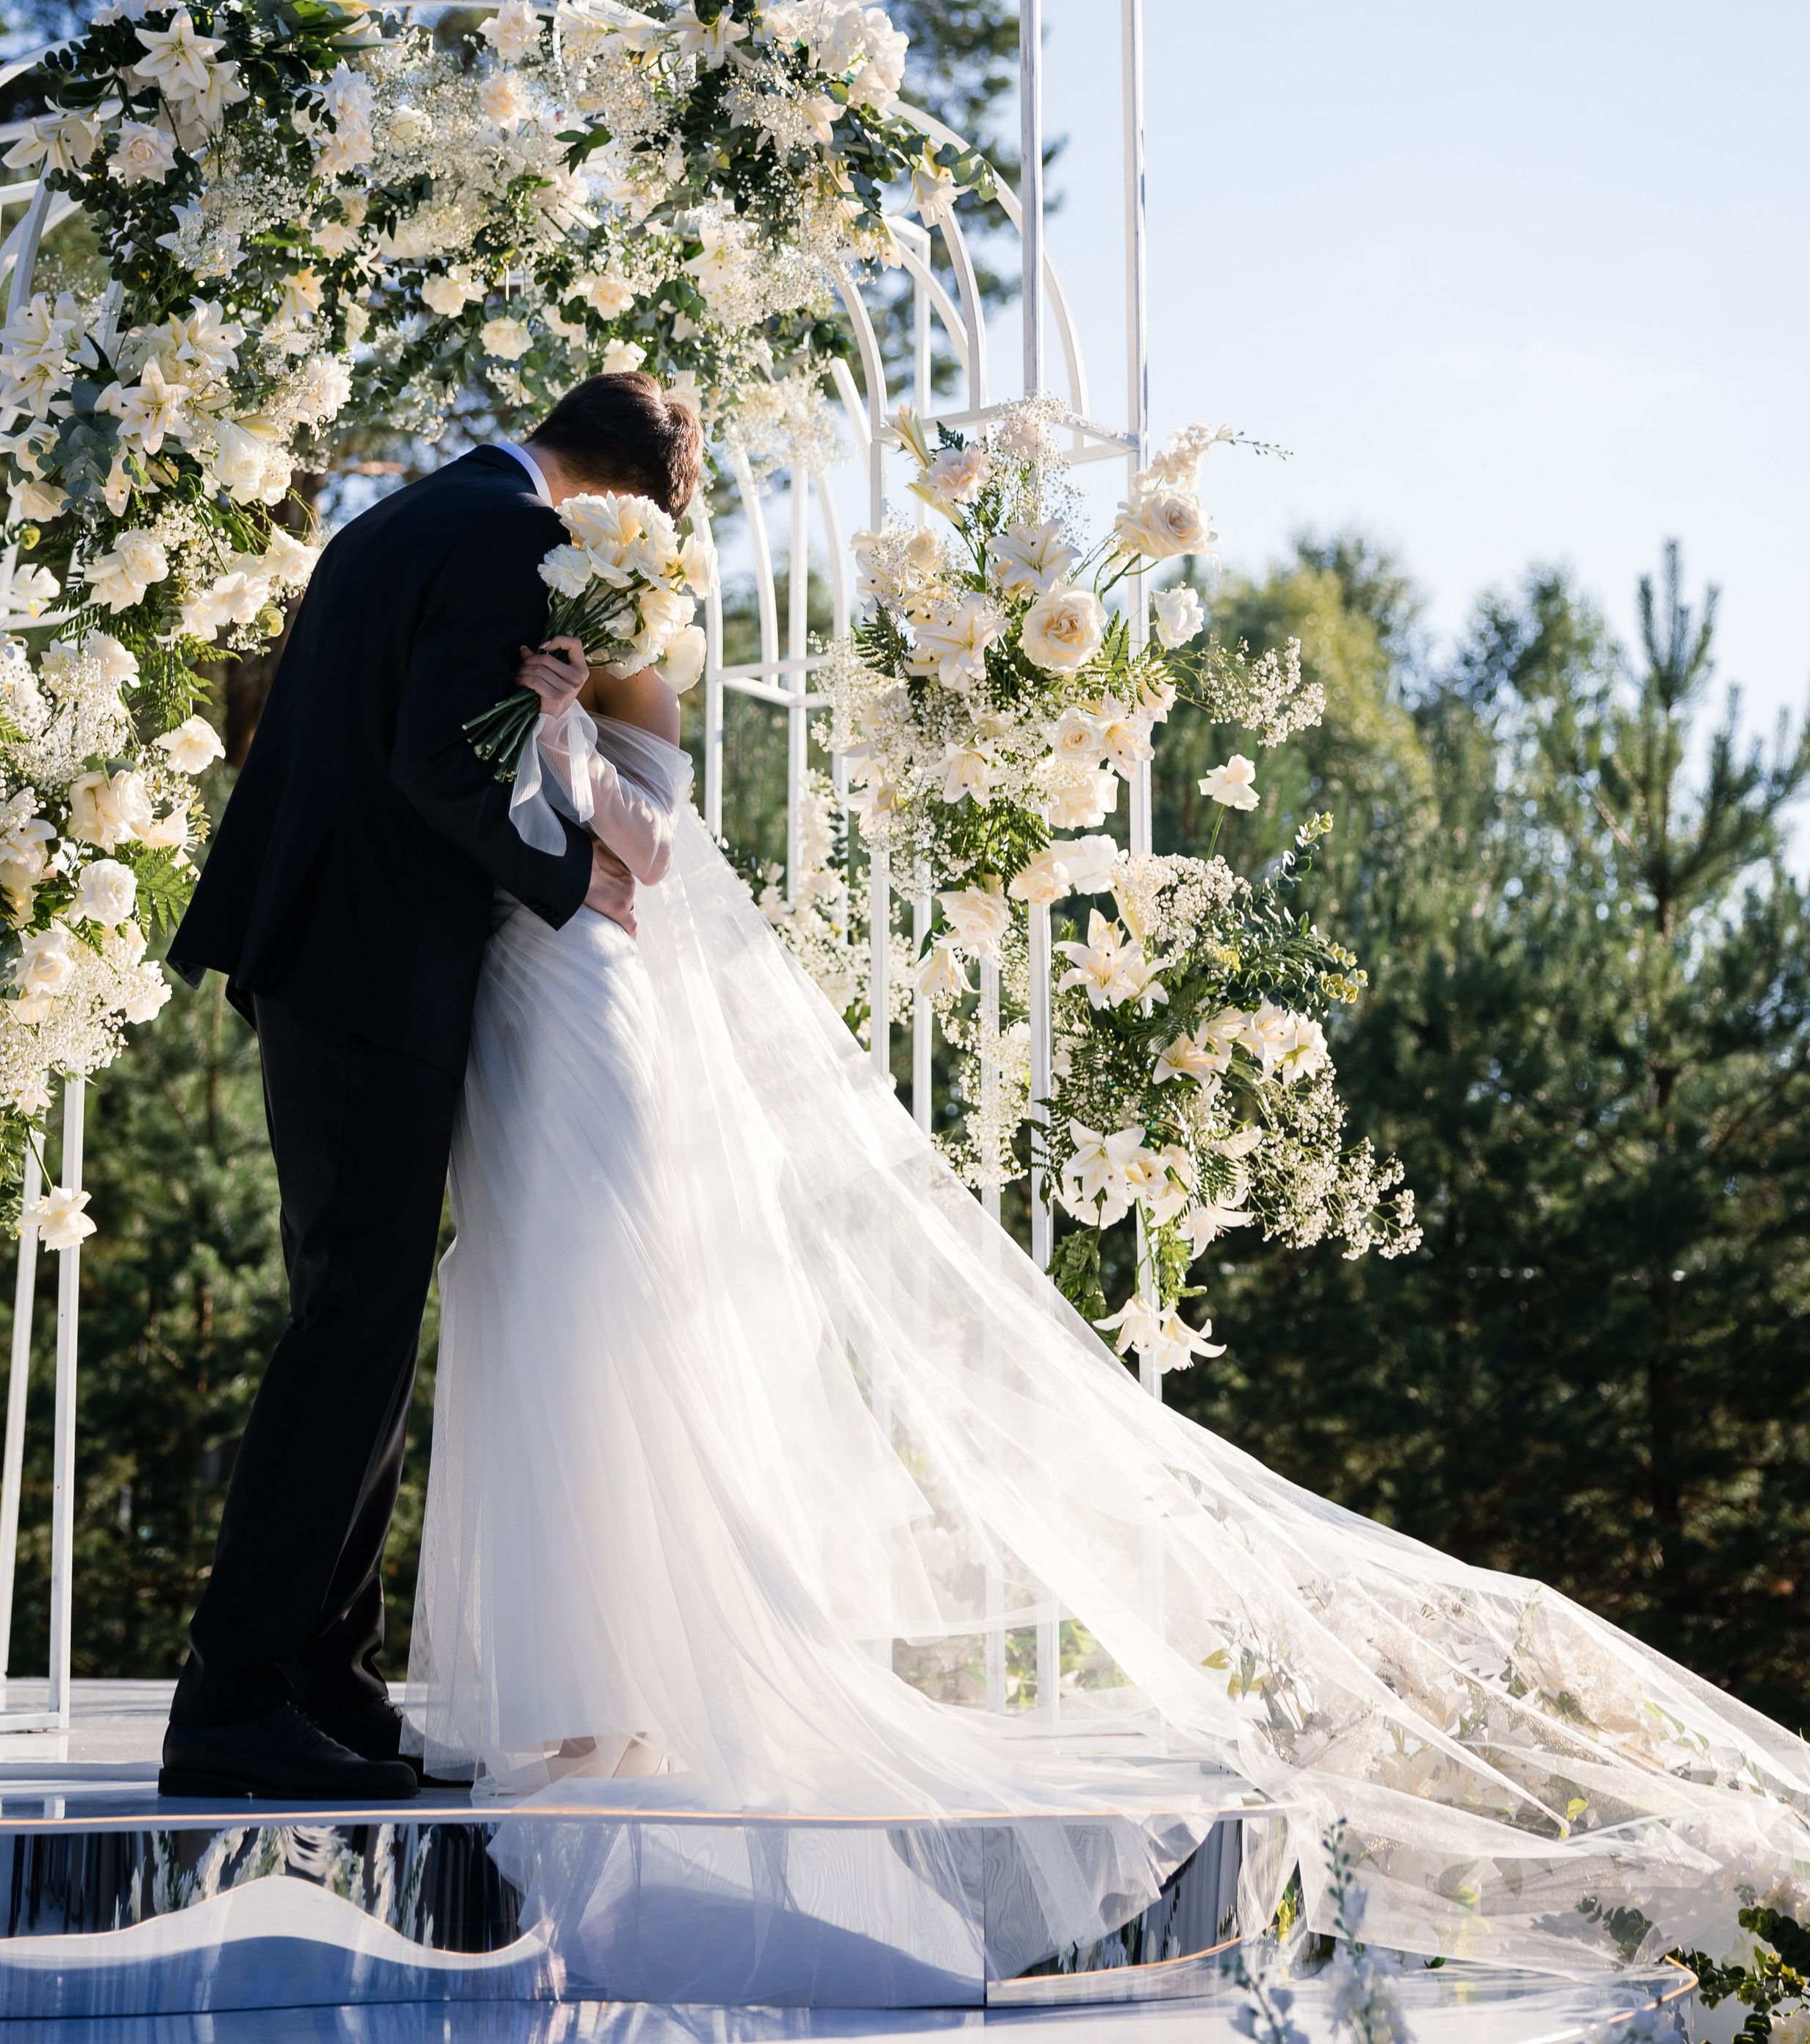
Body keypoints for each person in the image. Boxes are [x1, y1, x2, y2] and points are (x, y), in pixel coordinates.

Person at [400, 402, 1810, 1994]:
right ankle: (584, 1689)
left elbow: (652, 841)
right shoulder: (522, 600)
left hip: (595, 1004)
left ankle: (637, 1688)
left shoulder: (632, 630)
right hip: (515, 1004)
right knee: (534, 1322)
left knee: (608, 1316)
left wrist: (568, 726)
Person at [158, 375, 690, 1803]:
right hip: (367, 965)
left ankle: (327, 1675)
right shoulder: (507, 536)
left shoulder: (409, 517)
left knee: (369, 1320)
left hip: (334, 953)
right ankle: (233, 1696)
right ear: (619, 492)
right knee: (351, 1322)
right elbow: (436, 765)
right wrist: (567, 874)